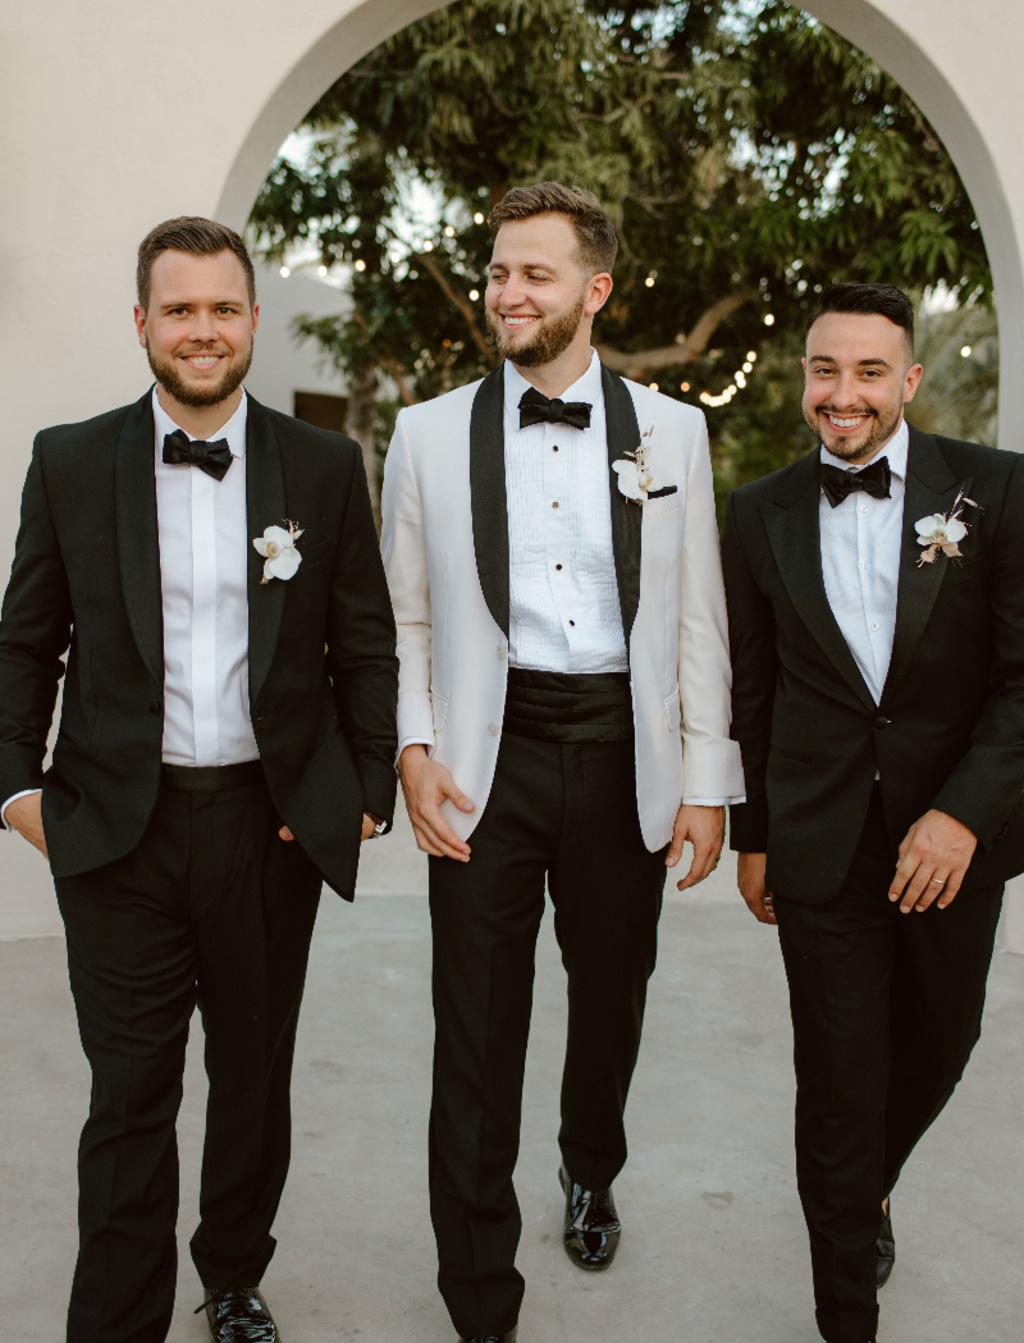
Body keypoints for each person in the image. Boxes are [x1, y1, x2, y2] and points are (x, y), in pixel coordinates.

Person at [0, 217, 398, 1343]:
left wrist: (362, 784)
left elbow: (362, 640)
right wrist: (16, 792)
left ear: (254, 322)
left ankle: (231, 1276)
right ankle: (115, 1321)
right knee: (128, 1096)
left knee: (252, 1080)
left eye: (224, 307)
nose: (203, 329)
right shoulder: (70, 460)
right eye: (179, 309)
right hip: (116, 831)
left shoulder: (322, 467)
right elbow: (24, 641)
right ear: (142, 323)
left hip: (270, 829)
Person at [381, 181, 743, 1343]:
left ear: (592, 290)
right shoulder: (427, 433)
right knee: (474, 1027)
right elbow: (410, 624)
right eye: (496, 271)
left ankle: (591, 1163)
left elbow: (696, 619)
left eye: (534, 274)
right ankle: (480, 1296)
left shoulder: (673, 431)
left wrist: (705, 781)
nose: (506, 293)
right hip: (487, 764)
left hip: (621, 756)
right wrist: (412, 745)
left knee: (611, 992)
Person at [723, 281, 1024, 1343]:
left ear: (908, 379)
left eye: (864, 371)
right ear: (801, 376)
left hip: (949, 838)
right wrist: (753, 833)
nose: (840, 393)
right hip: (820, 843)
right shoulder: (754, 512)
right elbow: (752, 689)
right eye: (821, 369)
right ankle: (844, 1310)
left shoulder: (994, 489)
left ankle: (871, 1187)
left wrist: (963, 815)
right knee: (839, 1082)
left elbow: (1021, 677)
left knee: (941, 1043)